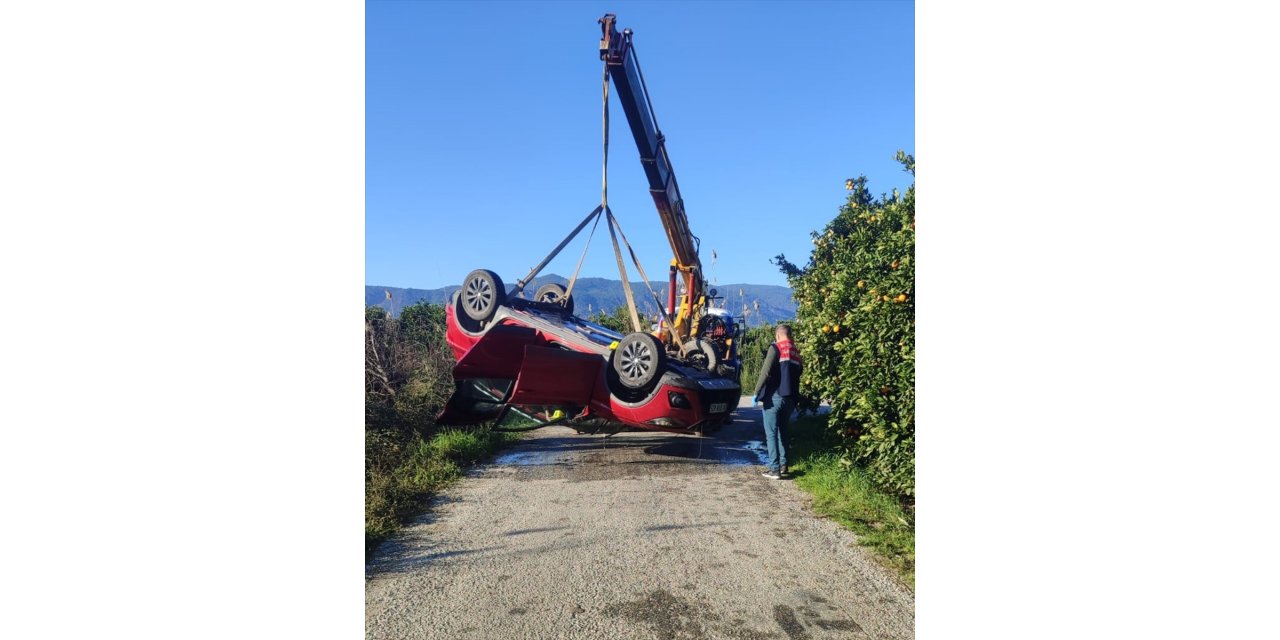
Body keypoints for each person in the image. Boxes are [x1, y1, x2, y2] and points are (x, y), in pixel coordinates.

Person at [753, 324, 802, 479]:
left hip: (775, 396)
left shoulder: (776, 347)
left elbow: (765, 372)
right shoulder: (796, 352)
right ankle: (784, 464)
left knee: (771, 432)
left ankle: (774, 469)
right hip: (791, 399)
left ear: (778, 335)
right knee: (783, 431)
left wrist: (756, 392)